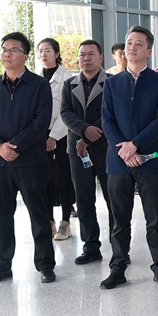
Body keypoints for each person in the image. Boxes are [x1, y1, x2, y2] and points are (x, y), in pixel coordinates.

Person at [0, 32, 56, 283]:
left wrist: (16, 145)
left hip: (31, 161)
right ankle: (2, 266)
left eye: (13, 50)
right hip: (0, 163)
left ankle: (45, 265)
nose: (7, 54)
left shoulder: (39, 85)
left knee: (39, 215)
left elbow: (41, 121)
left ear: (25, 56)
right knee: (2, 216)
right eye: (4, 49)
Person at [100, 27, 158, 289]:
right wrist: (124, 149)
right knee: (119, 219)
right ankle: (118, 267)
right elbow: (107, 119)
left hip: (149, 159)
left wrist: (135, 145)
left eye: (138, 44)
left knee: (154, 217)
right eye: (129, 43)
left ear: (149, 51)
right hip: (118, 160)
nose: (131, 47)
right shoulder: (111, 83)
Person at [61, 39, 112, 266]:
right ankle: (90, 246)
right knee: (84, 200)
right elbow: (65, 112)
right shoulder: (69, 84)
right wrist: (84, 130)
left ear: (101, 57)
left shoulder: (112, 82)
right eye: (82, 54)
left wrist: (91, 134)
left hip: (106, 148)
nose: (86, 58)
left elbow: (112, 112)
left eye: (91, 54)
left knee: (113, 199)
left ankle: (119, 247)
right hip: (78, 150)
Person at [37, 38, 76, 241]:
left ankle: (65, 223)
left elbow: (67, 111)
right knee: (43, 180)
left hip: (61, 136)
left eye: (48, 50)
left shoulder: (67, 78)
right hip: (39, 136)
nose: (43, 54)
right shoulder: (35, 78)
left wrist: (54, 135)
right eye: (40, 51)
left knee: (62, 179)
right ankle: (49, 222)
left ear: (57, 53)